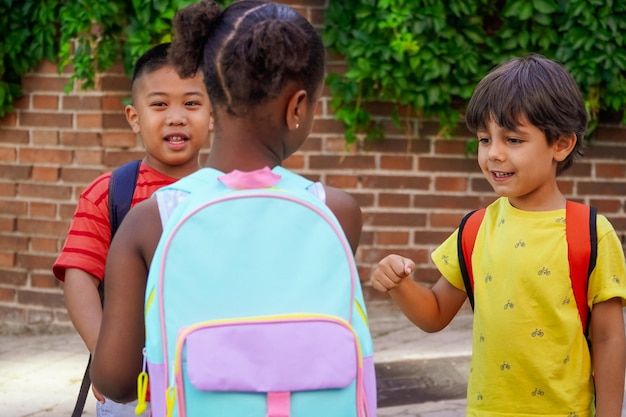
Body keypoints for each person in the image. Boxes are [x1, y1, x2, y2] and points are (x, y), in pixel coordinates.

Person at [89, 0, 363, 404]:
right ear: (298, 107)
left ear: (211, 99)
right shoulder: (336, 211)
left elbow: (115, 382)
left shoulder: (152, 220)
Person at [371, 55, 626, 417]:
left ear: (561, 144)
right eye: (484, 139)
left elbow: (609, 337)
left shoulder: (590, 232)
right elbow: (435, 314)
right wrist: (400, 283)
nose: (494, 154)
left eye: (513, 139)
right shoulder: (474, 229)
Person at [52, 42, 212, 416]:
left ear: (214, 113)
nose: (176, 117)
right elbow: (79, 278)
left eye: (192, 103)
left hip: (214, 374)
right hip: (134, 383)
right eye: (159, 104)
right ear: (134, 116)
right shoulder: (110, 194)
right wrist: (106, 360)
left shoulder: (227, 195)